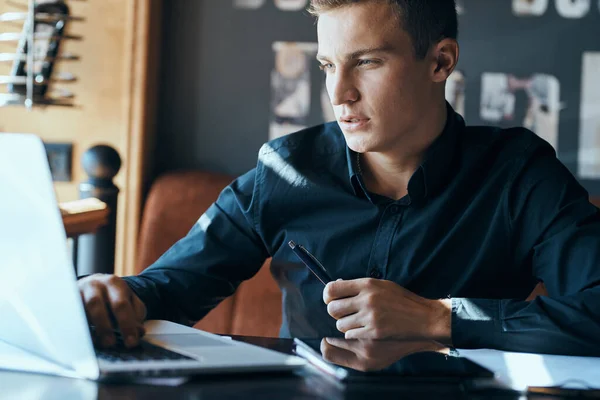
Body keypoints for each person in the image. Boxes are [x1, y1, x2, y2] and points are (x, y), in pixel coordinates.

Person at [79, 0, 600, 355]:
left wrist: (441, 319)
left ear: (440, 61)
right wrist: (114, 296)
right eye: (328, 65)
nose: (339, 92)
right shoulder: (285, 169)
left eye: (366, 62)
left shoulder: (517, 173)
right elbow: (172, 286)